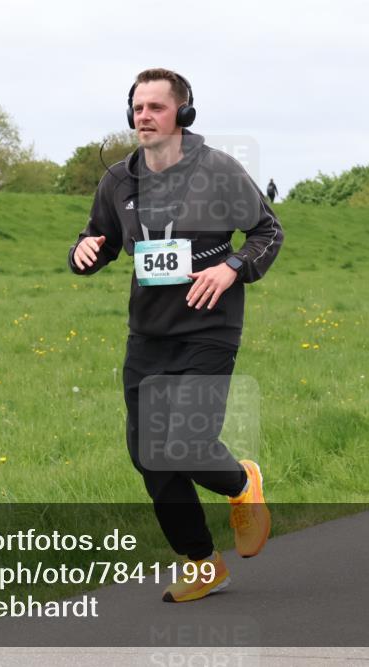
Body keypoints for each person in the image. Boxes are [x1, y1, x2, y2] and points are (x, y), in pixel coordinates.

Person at [68, 68, 284, 603]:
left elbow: (267, 231)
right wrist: (84, 252)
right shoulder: (119, 179)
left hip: (209, 328)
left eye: (156, 108)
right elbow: (99, 236)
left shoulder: (217, 171)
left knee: (184, 444)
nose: (145, 117)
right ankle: (202, 563)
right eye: (138, 108)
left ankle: (241, 484)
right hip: (148, 336)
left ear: (183, 114)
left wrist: (232, 266)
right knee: (149, 454)